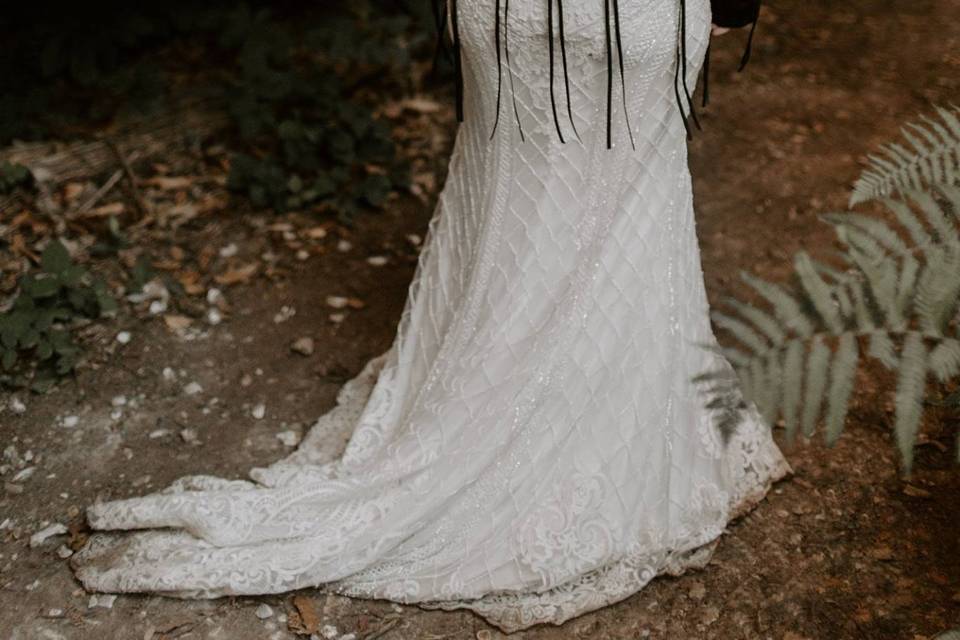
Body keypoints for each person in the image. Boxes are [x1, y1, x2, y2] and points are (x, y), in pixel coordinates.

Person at [71, 0, 790, 632]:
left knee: (518, 214)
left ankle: (502, 407)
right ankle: (585, 421)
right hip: (630, 18)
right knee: (621, 211)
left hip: (502, 15)